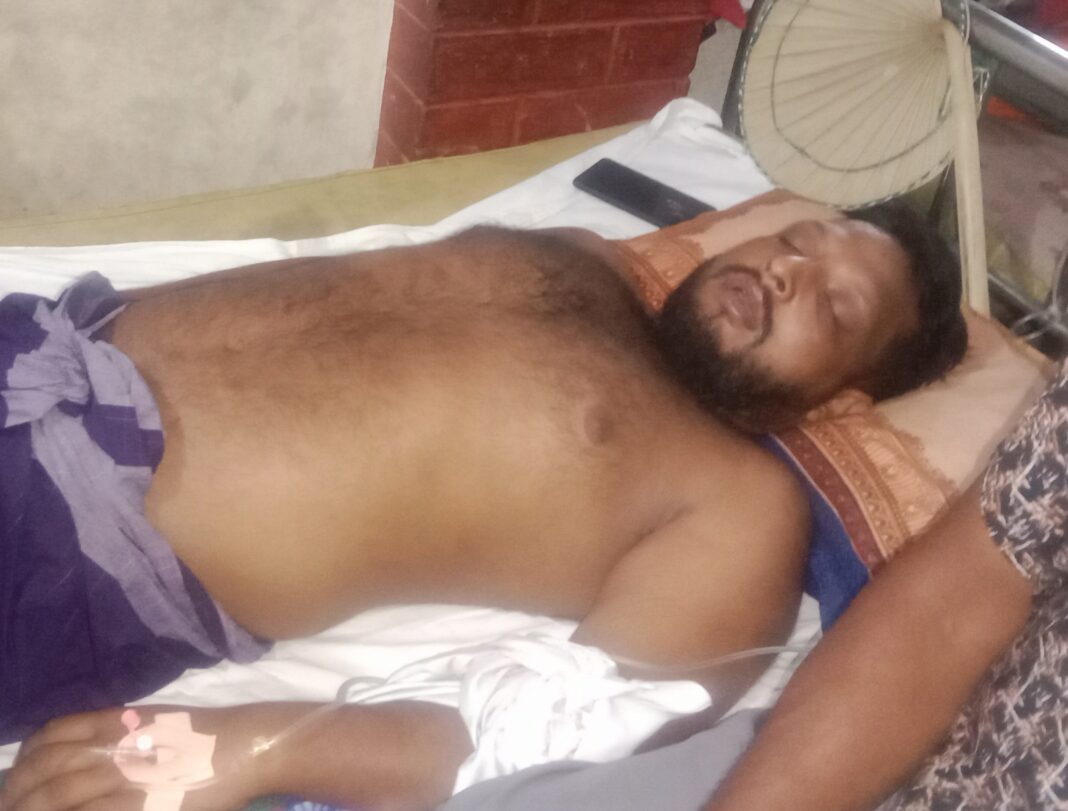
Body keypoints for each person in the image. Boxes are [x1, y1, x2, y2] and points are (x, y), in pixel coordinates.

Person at [0, 201, 966, 811]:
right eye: (793, 242)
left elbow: (554, 739)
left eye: (833, 308)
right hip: (37, 344)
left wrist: (247, 744)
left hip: (68, 545)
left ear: (842, 403)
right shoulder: (582, 256)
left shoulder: (738, 505)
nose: (788, 273)